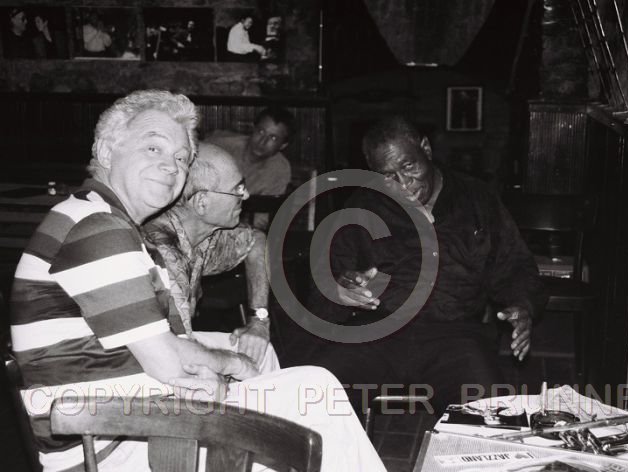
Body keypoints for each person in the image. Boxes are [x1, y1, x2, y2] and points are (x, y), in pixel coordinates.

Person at [9, 90, 386, 472]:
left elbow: (165, 346)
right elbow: (169, 363)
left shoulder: (99, 219)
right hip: (111, 442)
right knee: (314, 392)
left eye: (180, 158)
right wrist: (231, 367)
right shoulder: (98, 229)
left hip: (132, 422)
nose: (171, 167)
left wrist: (213, 369)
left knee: (305, 401)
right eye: (153, 148)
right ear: (107, 152)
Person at [308, 115, 545, 416]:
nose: (403, 184)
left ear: (426, 149)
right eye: (388, 176)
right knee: (312, 395)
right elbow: (323, 291)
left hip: (457, 336)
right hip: (375, 333)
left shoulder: (476, 199)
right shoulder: (361, 208)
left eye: (409, 166)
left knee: (488, 414)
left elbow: (515, 266)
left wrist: (523, 306)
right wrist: (341, 292)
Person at [142, 142, 277, 372]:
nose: (246, 195)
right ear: (202, 203)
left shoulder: (199, 234)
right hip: (134, 368)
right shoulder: (164, 257)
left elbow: (256, 240)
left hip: (176, 345)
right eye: (237, 188)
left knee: (262, 351)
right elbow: (173, 358)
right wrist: (236, 367)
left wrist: (259, 320)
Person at [205, 106, 293, 230]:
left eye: (273, 138)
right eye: (261, 131)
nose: (262, 141)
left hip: (240, 228)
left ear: (283, 145)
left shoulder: (279, 169)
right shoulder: (220, 146)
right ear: (253, 128)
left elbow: (260, 219)